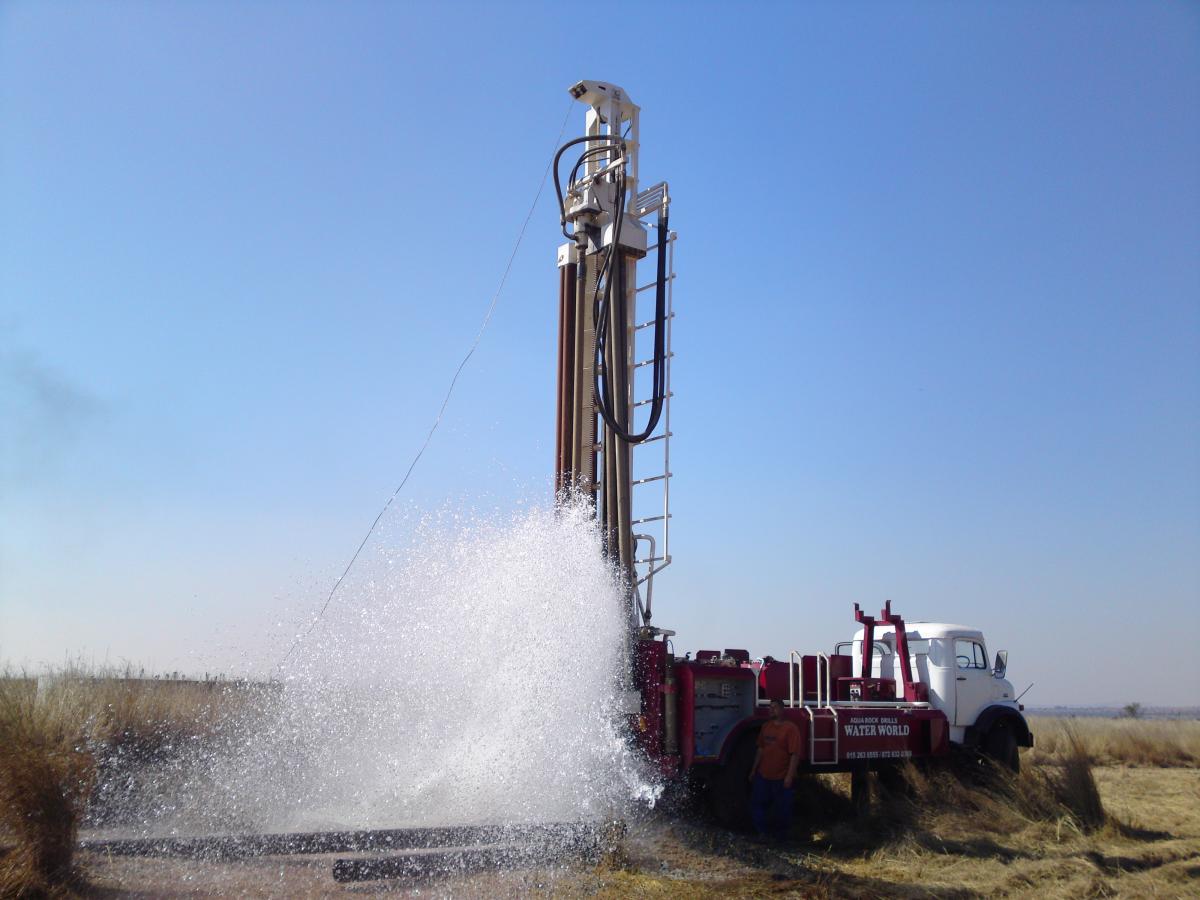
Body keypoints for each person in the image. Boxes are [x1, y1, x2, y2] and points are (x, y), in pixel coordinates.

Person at [747, 698, 801, 841]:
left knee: (782, 809)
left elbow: (794, 754)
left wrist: (789, 776)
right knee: (757, 804)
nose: (771, 710)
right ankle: (762, 833)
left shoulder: (790, 729)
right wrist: (754, 770)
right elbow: (760, 749)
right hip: (763, 775)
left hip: (781, 777)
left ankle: (781, 837)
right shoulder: (766, 727)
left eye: (775, 707)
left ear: (782, 710)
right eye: (770, 707)